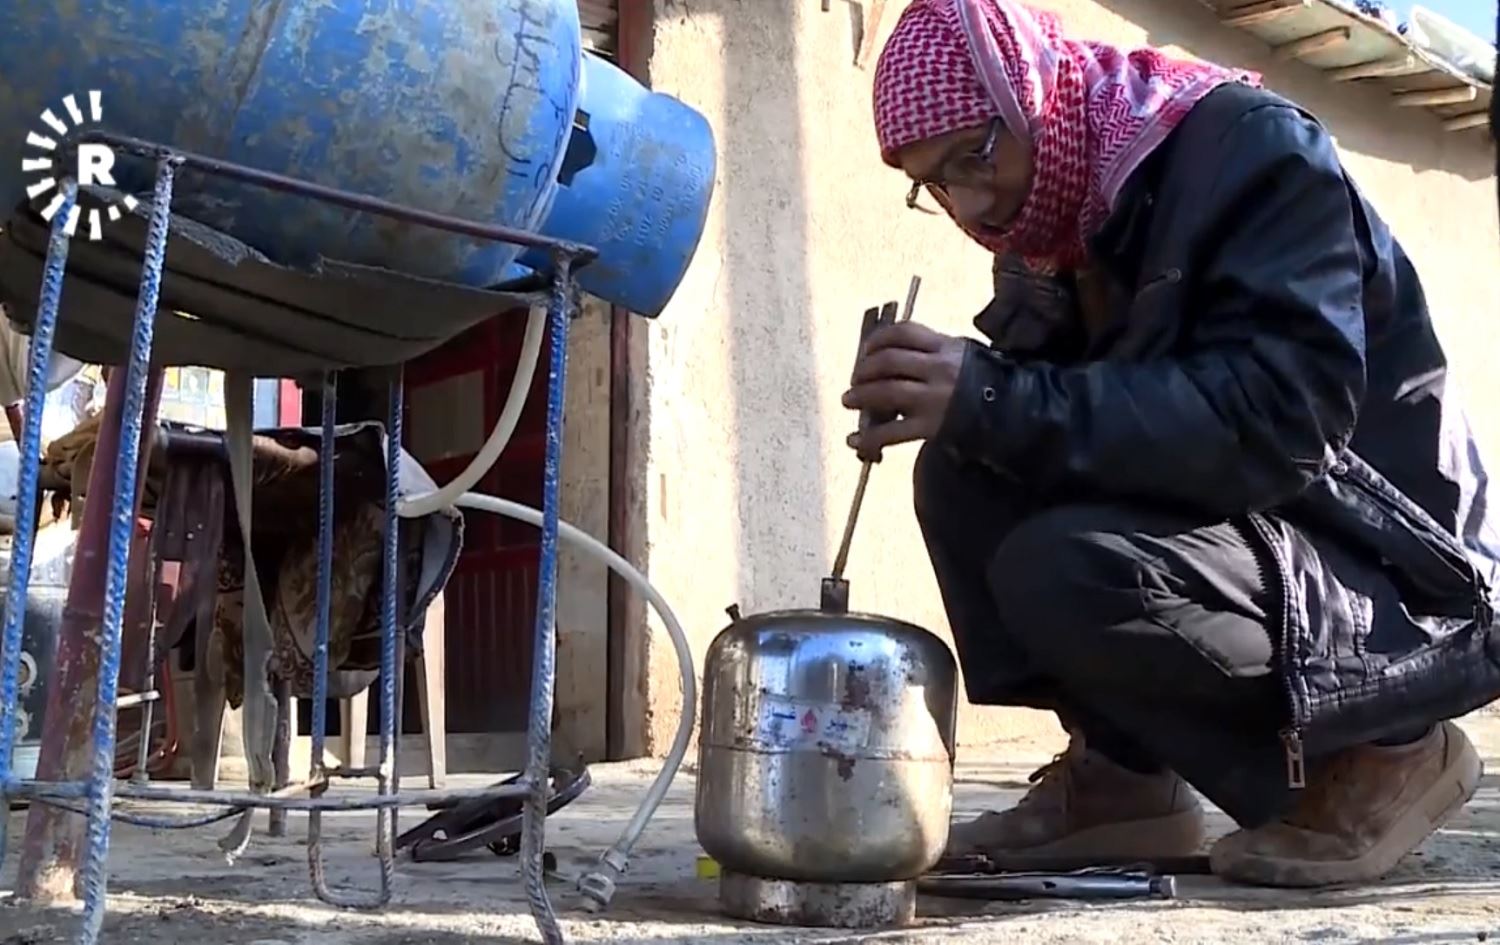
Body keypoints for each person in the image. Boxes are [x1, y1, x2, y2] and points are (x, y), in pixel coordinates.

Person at [846, 0, 1500, 888]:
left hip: (1394, 564)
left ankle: (1385, 753)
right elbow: (1087, 419)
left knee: (1066, 563)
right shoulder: (1056, 215)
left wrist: (992, 390)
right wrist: (970, 399)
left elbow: (1279, 422)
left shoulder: (1259, 154)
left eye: (974, 154)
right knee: (965, 472)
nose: (970, 202)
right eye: (936, 183)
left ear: (1031, 95)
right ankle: (1124, 780)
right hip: (1259, 527)